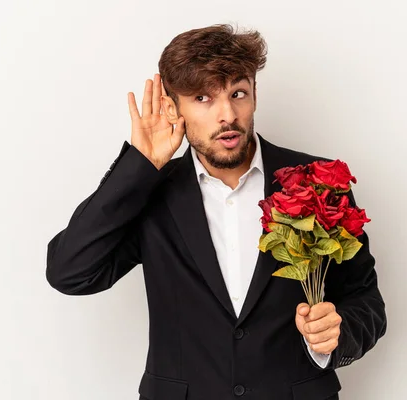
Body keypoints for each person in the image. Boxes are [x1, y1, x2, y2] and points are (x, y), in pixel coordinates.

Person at [46, 23, 386, 400]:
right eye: (203, 99)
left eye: (238, 93)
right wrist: (139, 167)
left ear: (254, 95)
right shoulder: (149, 193)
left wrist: (338, 332)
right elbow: (69, 272)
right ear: (173, 107)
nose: (227, 114)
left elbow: (365, 300)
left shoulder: (316, 182)